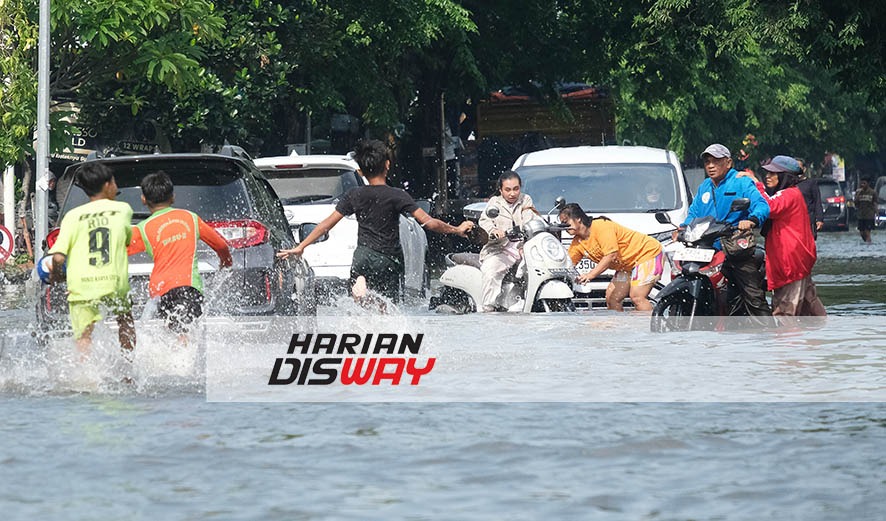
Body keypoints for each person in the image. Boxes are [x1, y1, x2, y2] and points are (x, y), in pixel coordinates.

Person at [276, 139, 473, 305]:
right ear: (387, 165)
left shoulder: (354, 195)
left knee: (361, 301)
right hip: (388, 258)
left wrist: (301, 246)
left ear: (360, 171)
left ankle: (360, 286)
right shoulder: (397, 196)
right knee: (388, 307)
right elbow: (428, 223)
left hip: (363, 256)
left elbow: (326, 225)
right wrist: (456, 229)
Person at [127, 171, 233, 343]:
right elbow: (220, 245)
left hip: (160, 291)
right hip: (188, 286)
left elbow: (118, 253)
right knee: (185, 332)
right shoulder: (190, 218)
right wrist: (226, 261)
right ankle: (183, 366)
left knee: (173, 329)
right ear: (173, 197)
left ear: (143, 200)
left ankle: (173, 364)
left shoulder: (142, 228)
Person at [47, 162, 135, 356]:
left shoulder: (72, 216)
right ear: (107, 185)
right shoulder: (123, 210)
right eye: (114, 182)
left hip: (81, 285)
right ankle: (128, 371)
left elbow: (59, 257)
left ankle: (85, 376)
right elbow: (127, 240)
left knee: (84, 336)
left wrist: (56, 277)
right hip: (113, 281)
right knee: (125, 321)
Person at [680, 143, 772, 317]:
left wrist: (751, 220)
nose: (710, 166)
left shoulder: (741, 182)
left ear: (728, 162)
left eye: (716, 161)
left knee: (753, 297)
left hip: (735, 248)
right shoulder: (705, 186)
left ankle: (767, 332)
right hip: (706, 248)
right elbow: (693, 213)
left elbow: (761, 205)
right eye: (707, 162)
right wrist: (683, 228)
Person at [737, 156, 826, 316]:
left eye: (773, 174)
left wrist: (757, 184)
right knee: (811, 312)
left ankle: (785, 341)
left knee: (784, 313)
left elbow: (768, 207)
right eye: (767, 173)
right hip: (797, 262)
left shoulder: (788, 195)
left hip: (790, 263)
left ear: (784, 176)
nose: (768, 177)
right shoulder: (791, 194)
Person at [559, 203, 663, 311]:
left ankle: (648, 326)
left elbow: (611, 255)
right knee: (612, 298)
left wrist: (590, 275)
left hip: (648, 253)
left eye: (565, 222)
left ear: (578, 219)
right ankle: (619, 326)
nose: (564, 226)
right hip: (628, 265)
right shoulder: (577, 242)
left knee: (637, 297)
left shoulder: (601, 226)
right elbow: (568, 265)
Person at [478, 170, 539, 312]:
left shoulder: (526, 200)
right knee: (491, 270)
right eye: (508, 190)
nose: (512, 194)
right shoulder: (494, 202)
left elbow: (529, 218)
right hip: (500, 249)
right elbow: (485, 221)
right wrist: (494, 231)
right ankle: (488, 307)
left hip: (524, 247)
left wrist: (526, 237)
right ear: (500, 190)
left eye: (516, 189)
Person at [794, 158, 824, 239]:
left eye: (799, 168)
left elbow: (817, 201)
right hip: (793, 221)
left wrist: (819, 219)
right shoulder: (789, 184)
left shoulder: (811, 183)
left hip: (808, 220)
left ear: (804, 169)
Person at [854, 178, 877, 243]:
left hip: (869, 215)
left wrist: (876, 212)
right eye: (861, 183)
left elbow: (875, 203)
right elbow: (855, 202)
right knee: (861, 232)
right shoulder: (858, 192)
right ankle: (867, 242)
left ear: (868, 184)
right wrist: (858, 194)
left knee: (867, 232)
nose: (862, 185)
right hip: (861, 215)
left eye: (864, 183)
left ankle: (868, 244)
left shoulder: (872, 192)